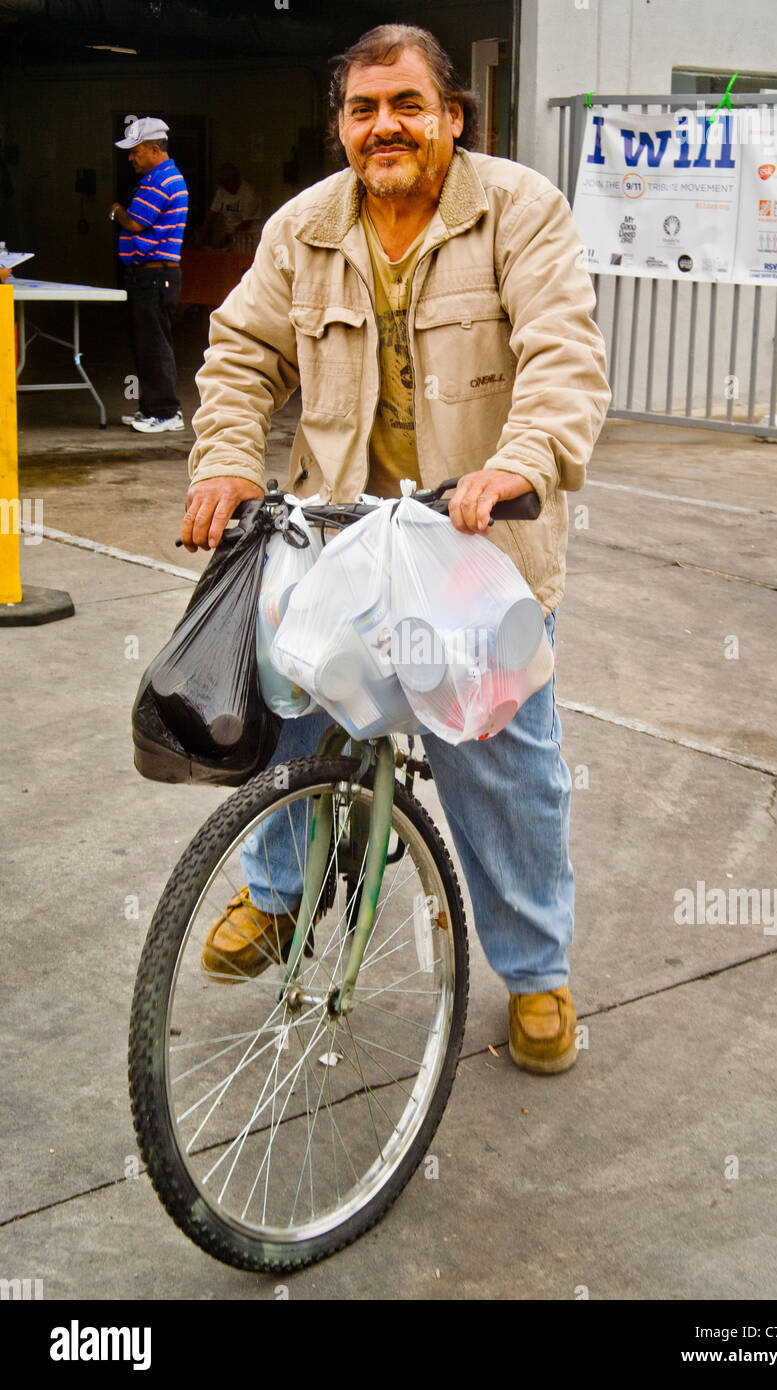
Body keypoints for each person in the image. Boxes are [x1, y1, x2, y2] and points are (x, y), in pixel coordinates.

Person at [182, 24, 611, 1074]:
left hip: (477, 548)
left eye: (408, 105)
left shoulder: (517, 209)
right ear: (341, 127)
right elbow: (242, 353)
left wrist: (523, 458)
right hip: (345, 533)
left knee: (500, 765)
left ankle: (535, 970)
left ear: (449, 118)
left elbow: (562, 348)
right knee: (293, 692)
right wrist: (226, 458)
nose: (387, 127)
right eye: (364, 110)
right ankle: (283, 898)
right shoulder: (302, 228)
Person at [111, 116, 189, 433]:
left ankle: (167, 412)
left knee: (155, 345)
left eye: (135, 151)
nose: (130, 157)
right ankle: (151, 408)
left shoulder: (161, 180)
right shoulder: (157, 178)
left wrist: (117, 210)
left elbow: (134, 223)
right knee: (147, 344)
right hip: (150, 276)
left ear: (154, 149)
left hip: (156, 277)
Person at [196, 163, 262, 250]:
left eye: (227, 183)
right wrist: (202, 237)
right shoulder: (222, 191)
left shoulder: (248, 194)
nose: (225, 187)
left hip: (249, 238)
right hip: (232, 236)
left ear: (235, 180)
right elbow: (212, 215)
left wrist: (226, 239)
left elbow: (246, 223)